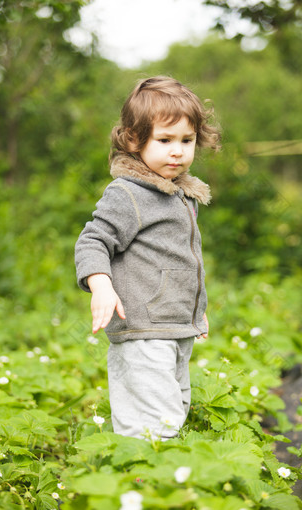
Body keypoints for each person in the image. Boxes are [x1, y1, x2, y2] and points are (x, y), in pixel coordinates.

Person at [75, 76, 220, 440]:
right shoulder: (128, 193)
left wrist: (194, 308)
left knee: (175, 404)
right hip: (142, 326)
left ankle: (145, 475)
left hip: (174, 325)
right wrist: (101, 287)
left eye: (187, 141)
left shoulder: (179, 195)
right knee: (159, 418)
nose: (178, 151)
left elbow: (179, 262)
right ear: (135, 140)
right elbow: (92, 241)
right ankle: (155, 484)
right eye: (165, 140)